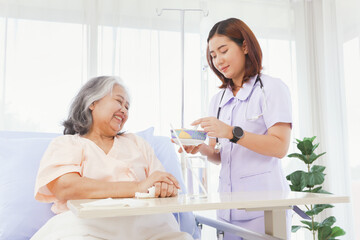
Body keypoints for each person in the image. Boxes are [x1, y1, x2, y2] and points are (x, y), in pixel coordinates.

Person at [32, 76, 193, 240]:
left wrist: (165, 188)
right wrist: (138, 187)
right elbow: (65, 187)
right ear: (92, 102)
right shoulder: (67, 144)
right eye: (119, 101)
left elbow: (162, 181)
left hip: (148, 227)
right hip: (85, 226)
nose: (124, 110)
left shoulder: (137, 143)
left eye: (127, 107)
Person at [180, 18, 292, 239]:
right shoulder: (218, 100)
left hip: (264, 209)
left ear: (244, 46)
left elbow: (280, 147)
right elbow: (221, 155)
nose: (218, 60)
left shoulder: (271, 88)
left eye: (223, 50)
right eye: (213, 56)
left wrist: (231, 132)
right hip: (228, 210)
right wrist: (199, 148)